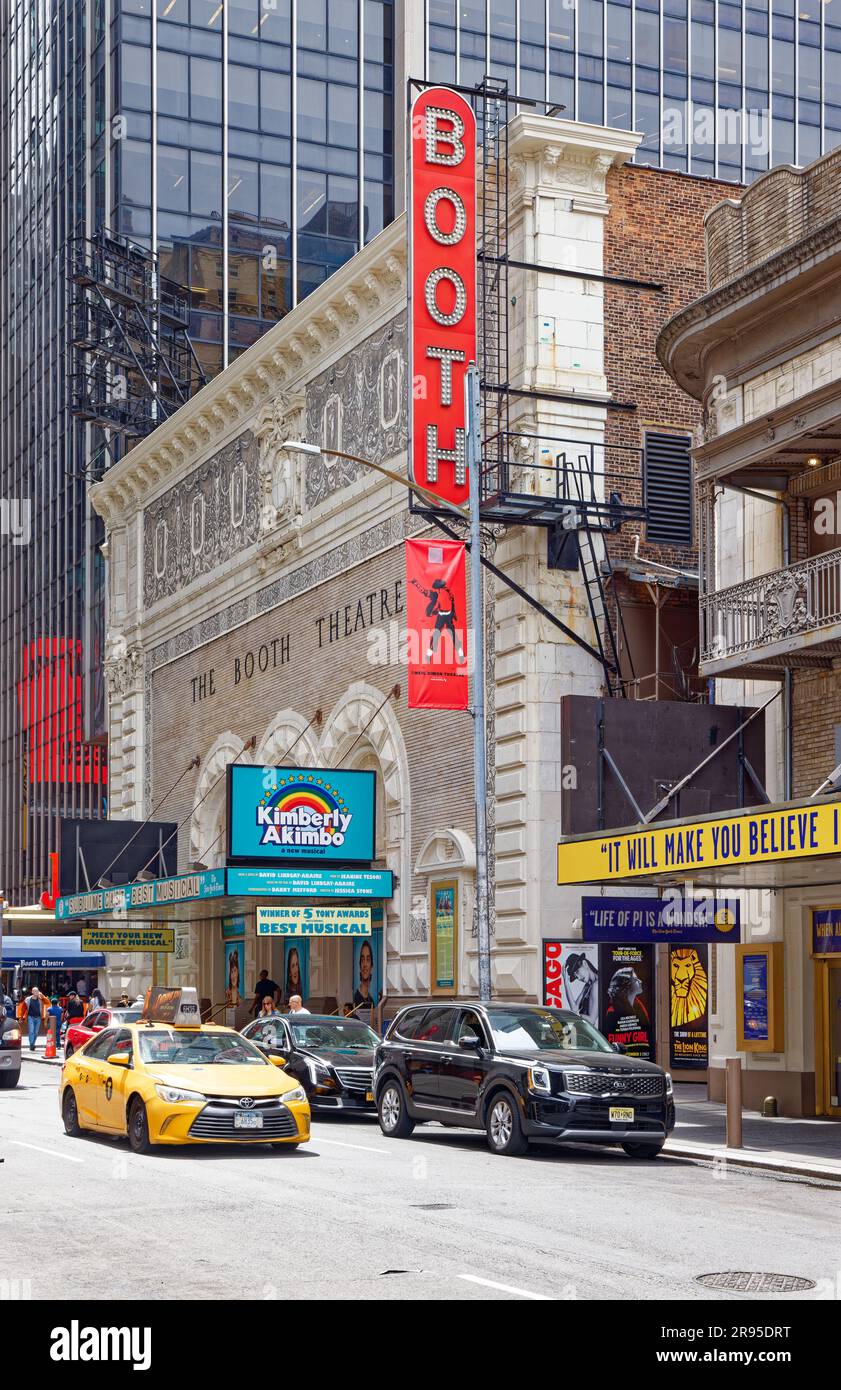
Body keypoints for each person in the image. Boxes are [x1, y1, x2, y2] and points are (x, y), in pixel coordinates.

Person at [353, 939, 377, 1010]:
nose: (365, 965)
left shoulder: (371, 1001)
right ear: (360, 965)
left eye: (368, 960)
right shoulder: (356, 997)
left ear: (371, 966)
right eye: (362, 960)